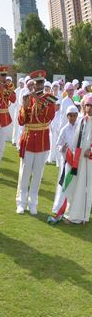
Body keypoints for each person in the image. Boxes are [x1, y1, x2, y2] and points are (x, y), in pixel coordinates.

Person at [15, 70, 56, 215]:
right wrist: (25, 106)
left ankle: (33, 203)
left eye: (41, 82)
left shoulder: (49, 98)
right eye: (36, 83)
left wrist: (35, 98)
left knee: (38, 174)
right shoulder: (27, 98)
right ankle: (21, 202)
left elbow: (49, 116)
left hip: (42, 141)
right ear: (32, 84)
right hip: (28, 138)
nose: (39, 85)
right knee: (25, 172)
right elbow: (21, 121)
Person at [61, 96, 92, 224]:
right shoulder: (81, 120)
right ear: (84, 106)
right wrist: (71, 155)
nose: (89, 108)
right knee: (75, 186)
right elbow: (75, 141)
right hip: (78, 159)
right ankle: (74, 215)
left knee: (87, 187)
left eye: (91, 106)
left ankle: (84, 216)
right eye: (87, 105)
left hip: (89, 160)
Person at [52, 104, 79, 213]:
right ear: (67, 116)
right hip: (66, 161)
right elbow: (58, 144)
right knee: (63, 184)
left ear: (77, 116)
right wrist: (62, 148)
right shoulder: (64, 129)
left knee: (75, 184)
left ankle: (72, 208)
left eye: (74, 116)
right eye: (70, 116)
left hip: (76, 161)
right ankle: (59, 207)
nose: (72, 118)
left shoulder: (79, 127)